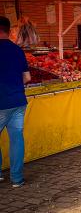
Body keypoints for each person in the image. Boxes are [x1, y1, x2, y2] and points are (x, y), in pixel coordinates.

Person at [0, 16, 31, 188]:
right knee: (17, 139)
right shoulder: (17, 50)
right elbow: (27, 77)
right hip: (18, 101)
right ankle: (17, 179)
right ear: (9, 30)